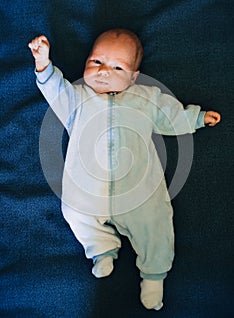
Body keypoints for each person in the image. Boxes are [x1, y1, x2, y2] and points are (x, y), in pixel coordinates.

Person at [28, 29, 221, 310]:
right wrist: (43, 64)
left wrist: (197, 118)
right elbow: (55, 91)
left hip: (139, 189)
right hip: (88, 187)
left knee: (156, 223)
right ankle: (101, 248)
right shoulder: (78, 99)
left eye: (117, 66)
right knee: (74, 210)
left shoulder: (147, 98)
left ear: (133, 76)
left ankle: (154, 275)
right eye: (96, 62)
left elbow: (170, 116)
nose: (104, 70)